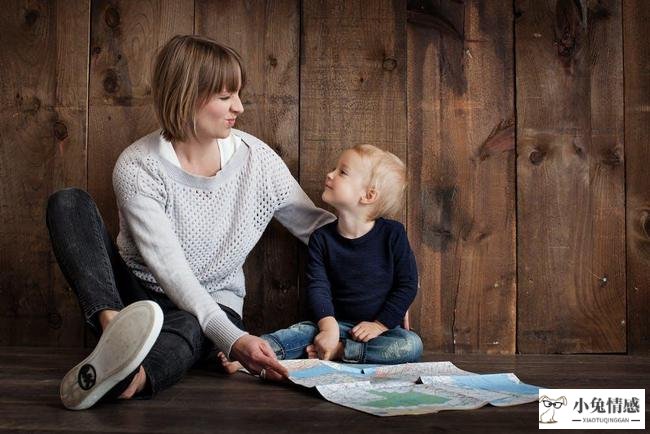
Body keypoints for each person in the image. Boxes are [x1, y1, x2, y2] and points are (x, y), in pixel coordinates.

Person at [45, 34, 335, 410]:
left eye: (238, 94)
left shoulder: (257, 161)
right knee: (68, 203)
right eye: (226, 96)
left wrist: (384, 272)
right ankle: (115, 331)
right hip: (134, 295)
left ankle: (131, 377)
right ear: (188, 95)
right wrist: (234, 341)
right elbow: (170, 269)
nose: (240, 107)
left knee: (192, 325)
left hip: (213, 302)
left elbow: (317, 228)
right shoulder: (138, 166)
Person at [220, 144, 422, 373]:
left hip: (380, 332)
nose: (330, 174)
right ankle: (249, 355)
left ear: (368, 195)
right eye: (335, 169)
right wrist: (328, 327)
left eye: (342, 172)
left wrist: (380, 324)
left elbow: (406, 284)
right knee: (299, 333)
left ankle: (340, 352)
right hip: (335, 323)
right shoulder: (322, 238)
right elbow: (318, 286)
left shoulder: (393, 234)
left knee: (411, 345)